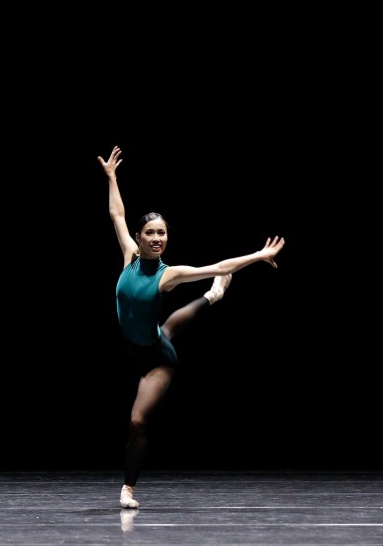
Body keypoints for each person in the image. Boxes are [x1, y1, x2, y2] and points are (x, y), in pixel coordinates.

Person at [97, 145, 285, 510]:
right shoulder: (128, 256)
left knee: (137, 420)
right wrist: (112, 177)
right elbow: (117, 214)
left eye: (162, 233)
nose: (157, 238)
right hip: (143, 338)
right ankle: (214, 297)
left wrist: (258, 256)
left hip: (156, 359)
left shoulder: (169, 275)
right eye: (150, 232)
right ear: (139, 237)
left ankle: (127, 489)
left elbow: (218, 264)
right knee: (168, 326)